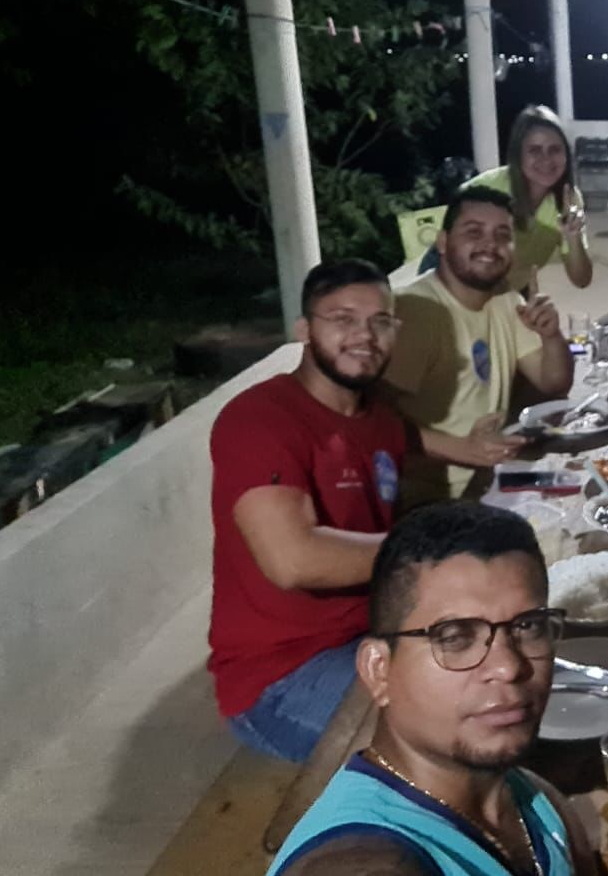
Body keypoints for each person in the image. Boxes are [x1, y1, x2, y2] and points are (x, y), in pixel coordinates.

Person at [254, 503, 608, 876]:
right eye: (455, 637)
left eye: (528, 627)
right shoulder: (354, 873)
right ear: (379, 670)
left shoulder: (538, 805)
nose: (508, 666)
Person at [210, 259, 495, 762]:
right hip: (285, 673)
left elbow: (405, 439)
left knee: (505, 670)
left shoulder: (378, 417)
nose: (364, 335)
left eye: (380, 321)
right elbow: (293, 560)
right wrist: (434, 548)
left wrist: (472, 451)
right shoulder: (257, 419)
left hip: (375, 634)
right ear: (303, 330)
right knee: (459, 741)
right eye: (342, 319)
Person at [384, 186, 574, 504]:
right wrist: (462, 449)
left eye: (503, 235)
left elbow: (553, 382)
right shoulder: (415, 310)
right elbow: (372, 419)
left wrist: (551, 335)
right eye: (474, 232)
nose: (490, 244)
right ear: (442, 242)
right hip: (429, 500)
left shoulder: (506, 300)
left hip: (489, 481)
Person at [465, 105, 593, 295]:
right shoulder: (484, 191)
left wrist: (573, 237)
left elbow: (581, 280)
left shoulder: (568, 199)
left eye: (555, 149)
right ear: (518, 155)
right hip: (462, 293)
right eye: (534, 150)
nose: (546, 159)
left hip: (512, 293)